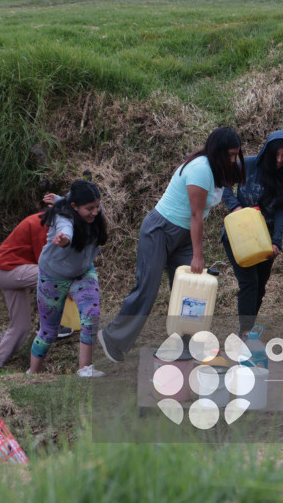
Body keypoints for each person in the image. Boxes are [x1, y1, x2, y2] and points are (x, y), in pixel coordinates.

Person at [98, 127, 245, 362]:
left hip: (184, 235)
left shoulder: (218, 169)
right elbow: (196, 216)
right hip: (160, 230)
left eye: (236, 154)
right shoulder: (200, 170)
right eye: (229, 154)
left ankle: (183, 347)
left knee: (192, 292)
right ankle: (113, 337)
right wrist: (198, 255)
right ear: (217, 151)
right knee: (147, 288)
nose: (233, 159)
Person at [221, 130, 283, 336]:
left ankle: (247, 329)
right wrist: (235, 207)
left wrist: (277, 241)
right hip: (238, 235)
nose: (280, 160)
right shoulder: (248, 165)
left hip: (264, 238)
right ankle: (246, 332)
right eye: (276, 155)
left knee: (260, 285)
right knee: (249, 282)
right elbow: (224, 183)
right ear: (267, 152)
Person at [29, 180, 108, 377]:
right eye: (89, 208)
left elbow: (74, 202)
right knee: (49, 331)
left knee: (92, 315)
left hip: (82, 272)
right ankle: (32, 373)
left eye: (97, 206)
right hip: (53, 275)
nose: (95, 212)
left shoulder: (93, 211)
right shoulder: (62, 216)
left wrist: (59, 198)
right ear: (74, 207)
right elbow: (66, 228)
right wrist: (63, 239)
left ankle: (85, 370)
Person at [0, 193, 74, 372]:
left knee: (20, 326)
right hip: (8, 270)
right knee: (53, 277)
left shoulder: (46, 224)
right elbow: (44, 264)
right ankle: (51, 324)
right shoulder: (40, 225)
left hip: (7, 270)